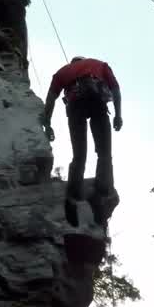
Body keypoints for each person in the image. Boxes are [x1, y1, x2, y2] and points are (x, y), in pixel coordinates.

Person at [40, 56, 123, 226]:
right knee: (104, 153)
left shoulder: (63, 72)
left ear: (72, 63)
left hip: (75, 105)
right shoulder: (100, 65)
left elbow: (51, 99)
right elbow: (115, 89)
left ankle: (74, 196)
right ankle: (103, 190)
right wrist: (118, 115)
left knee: (79, 155)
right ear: (83, 60)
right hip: (97, 103)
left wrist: (47, 124)